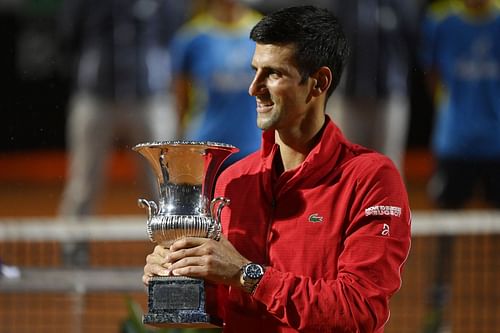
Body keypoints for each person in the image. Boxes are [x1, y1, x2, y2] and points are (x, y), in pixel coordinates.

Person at [143, 5, 412, 332]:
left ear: (318, 83)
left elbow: (358, 309)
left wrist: (246, 274)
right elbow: (216, 307)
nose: (253, 88)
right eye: (255, 70)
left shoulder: (370, 179)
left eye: (273, 73)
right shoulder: (232, 180)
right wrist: (175, 278)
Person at [56, 0, 187, 265]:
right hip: (95, 96)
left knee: (163, 180)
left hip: (150, 97)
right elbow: (68, 33)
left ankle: (174, 246)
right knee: (84, 179)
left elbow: (173, 33)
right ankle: (73, 247)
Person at [420, 0, 500, 209]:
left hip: (496, 143)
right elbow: (432, 75)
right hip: (454, 143)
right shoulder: (441, 22)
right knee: (447, 224)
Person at [328, 0, 421, 174]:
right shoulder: (342, 4)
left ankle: (387, 201)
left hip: (389, 96)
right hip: (348, 96)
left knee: (387, 164)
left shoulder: (400, 5)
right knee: (346, 164)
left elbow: (413, 44)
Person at [169, 0, 262, 168]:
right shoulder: (192, 37)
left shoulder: (264, 32)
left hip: (254, 147)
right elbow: (180, 99)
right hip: (205, 147)